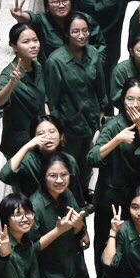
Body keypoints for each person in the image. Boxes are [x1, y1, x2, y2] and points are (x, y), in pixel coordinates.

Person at [88, 82, 140, 278]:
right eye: (130, 99)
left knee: (136, 245)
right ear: (123, 101)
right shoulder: (113, 125)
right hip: (111, 198)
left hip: (138, 199)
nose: (135, 104)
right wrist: (116, 140)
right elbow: (92, 157)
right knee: (106, 243)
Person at [29, 151, 93, 278]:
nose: (59, 180)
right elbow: (31, 248)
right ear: (43, 176)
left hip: (76, 271)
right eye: (53, 175)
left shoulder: (68, 195)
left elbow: (79, 229)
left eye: (64, 175)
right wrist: (58, 231)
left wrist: (80, 229)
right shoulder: (35, 205)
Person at [42, 11, 102, 180]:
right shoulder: (56, 61)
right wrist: (58, 130)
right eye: (76, 31)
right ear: (67, 33)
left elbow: (100, 88)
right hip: (69, 126)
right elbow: (52, 100)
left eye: (85, 31)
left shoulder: (93, 54)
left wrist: (100, 117)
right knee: (70, 166)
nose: (81, 35)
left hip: (91, 121)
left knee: (87, 163)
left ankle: (85, 190)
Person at [0, 114, 85, 205]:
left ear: (61, 135)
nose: (47, 136)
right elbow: (5, 176)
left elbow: (77, 195)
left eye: (52, 132)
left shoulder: (69, 160)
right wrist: (26, 147)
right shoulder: (28, 161)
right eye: (41, 134)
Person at [0, 23, 48, 158]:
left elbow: (44, 99)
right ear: (14, 47)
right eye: (26, 42)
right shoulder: (9, 73)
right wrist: (12, 83)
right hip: (18, 144)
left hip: (40, 138)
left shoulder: (39, 67)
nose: (33, 45)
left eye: (35, 40)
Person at [7, 0, 89, 61]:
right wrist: (20, 15)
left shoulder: (82, 19)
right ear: (47, 6)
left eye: (65, 0)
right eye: (56, 2)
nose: (61, 5)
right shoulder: (42, 20)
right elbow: (31, 18)